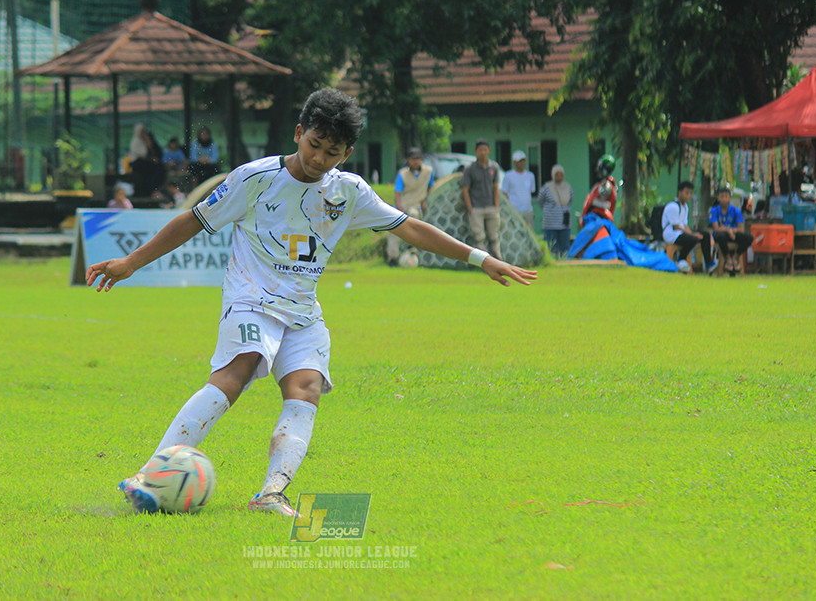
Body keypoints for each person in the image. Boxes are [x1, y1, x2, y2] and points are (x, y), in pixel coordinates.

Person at [86, 89, 537, 517]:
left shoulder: (348, 192)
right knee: (238, 370)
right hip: (251, 298)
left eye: (331, 152)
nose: (319, 158)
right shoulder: (255, 178)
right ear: (299, 133)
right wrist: (131, 262)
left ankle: (271, 493)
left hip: (302, 310)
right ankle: (150, 475)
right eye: (314, 144)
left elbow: (410, 228)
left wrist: (480, 258)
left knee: (306, 389)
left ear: (346, 154)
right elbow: (193, 220)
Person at [386, 147, 435, 266]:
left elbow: (430, 187)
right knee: (393, 229)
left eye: (418, 158)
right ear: (408, 160)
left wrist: (425, 200)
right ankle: (392, 257)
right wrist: (399, 208)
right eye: (413, 159)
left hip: (416, 204)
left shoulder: (428, 172)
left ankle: (411, 247)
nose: (415, 161)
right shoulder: (403, 174)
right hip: (402, 205)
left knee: (413, 214)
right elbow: (397, 193)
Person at [662, 180, 717, 274]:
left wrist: (693, 233)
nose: (689, 196)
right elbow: (676, 226)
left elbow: (685, 225)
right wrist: (692, 234)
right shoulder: (673, 207)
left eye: (690, 193)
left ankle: (708, 263)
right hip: (671, 234)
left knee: (705, 235)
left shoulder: (685, 207)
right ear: (680, 193)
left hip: (681, 232)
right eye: (686, 193)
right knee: (693, 239)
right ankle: (681, 258)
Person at [461, 138, 502, 259]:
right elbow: (465, 190)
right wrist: (470, 209)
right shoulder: (470, 169)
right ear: (475, 151)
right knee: (479, 237)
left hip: (491, 206)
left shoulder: (494, 167)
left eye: (485, 149)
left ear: (489, 150)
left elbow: (496, 188)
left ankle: (498, 259)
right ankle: (483, 261)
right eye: (480, 150)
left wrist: (496, 206)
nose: (483, 152)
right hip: (476, 207)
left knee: (494, 236)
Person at [709, 186, 753, 274]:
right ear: (718, 198)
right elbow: (716, 228)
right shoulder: (714, 210)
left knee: (749, 238)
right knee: (720, 236)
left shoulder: (736, 210)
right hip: (722, 235)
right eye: (722, 196)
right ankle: (728, 258)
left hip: (733, 234)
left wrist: (730, 231)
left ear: (730, 198)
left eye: (726, 196)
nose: (724, 199)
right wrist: (728, 231)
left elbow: (740, 229)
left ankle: (735, 257)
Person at [537, 164, 573, 257]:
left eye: (561, 175)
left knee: (564, 248)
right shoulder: (547, 187)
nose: (559, 177)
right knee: (551, 248)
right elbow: (540, 200)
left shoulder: (568, 187)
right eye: (557, 174)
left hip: (564, 224)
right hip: (550, 224)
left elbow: (570, 200)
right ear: (553, 175)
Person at [501, 150, 536, 228]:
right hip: (514, 211)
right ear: (514, 162)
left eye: (523, 161)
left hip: (528, 211)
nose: (522, 163)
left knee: (529, 231)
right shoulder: (508, 176)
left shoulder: (530, 176)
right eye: (519, 161)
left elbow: (531, 191)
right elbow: (504, 193)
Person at [580, 154, 618, 225]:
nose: (597, 170)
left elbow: (606, 205)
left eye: (599, 168)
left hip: (596, 219)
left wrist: (591, 204)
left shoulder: (606, 186)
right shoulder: (604, 184)